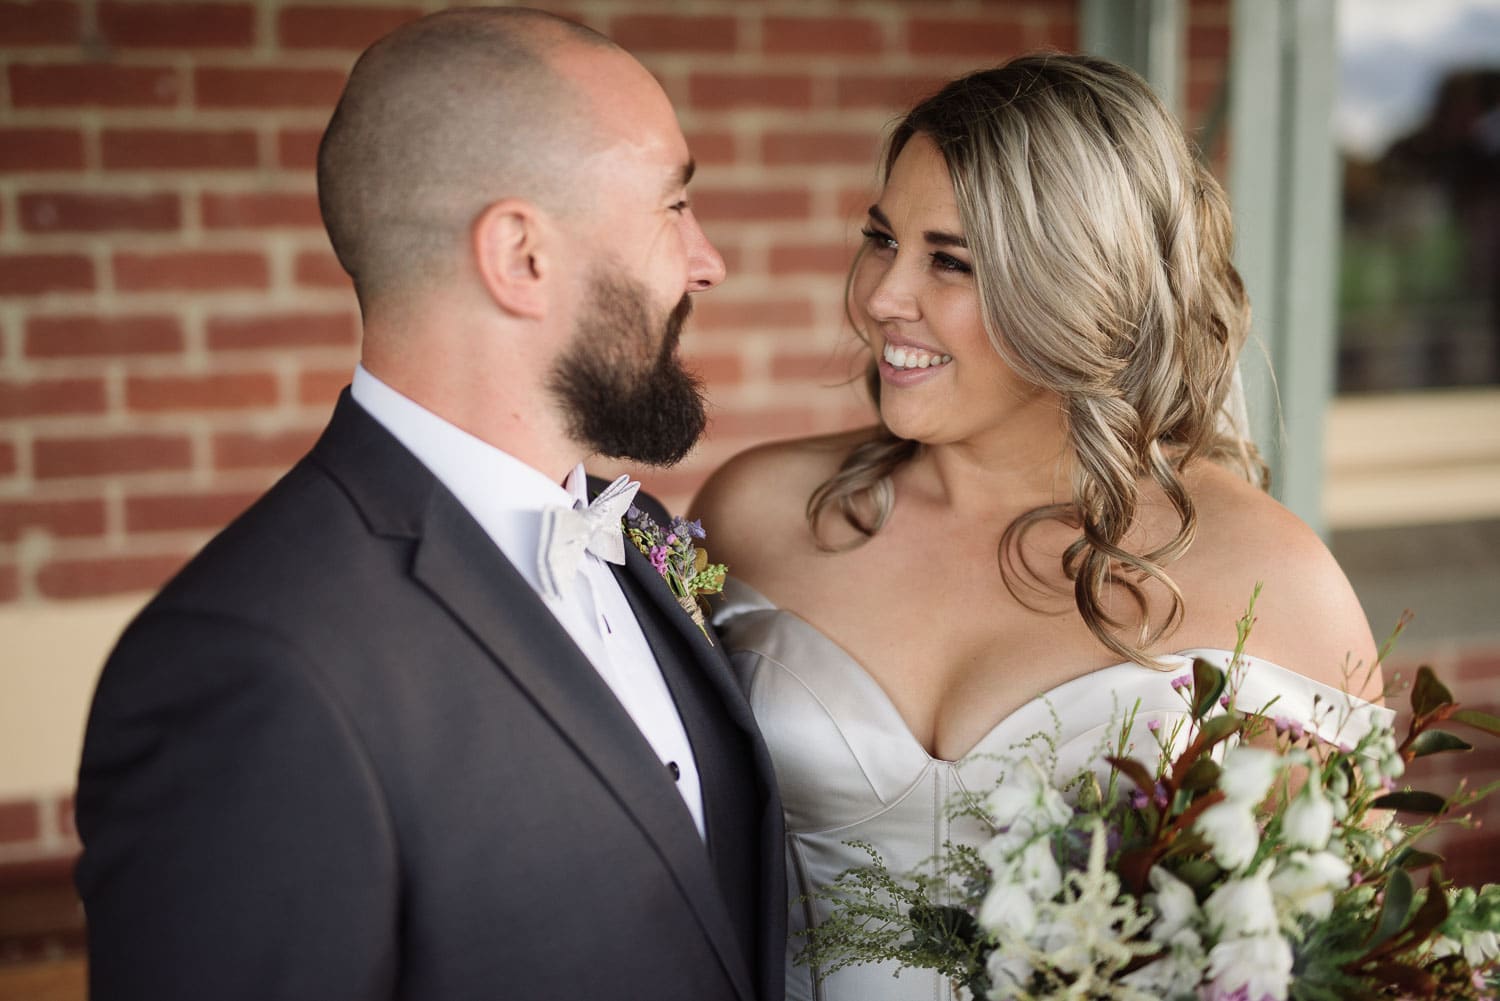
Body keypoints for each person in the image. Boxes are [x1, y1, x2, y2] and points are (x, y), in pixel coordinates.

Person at [74, 9, 784, 1001]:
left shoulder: (651, 536)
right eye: (674, 206)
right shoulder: (246, 664)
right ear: (521, 256)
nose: (706, 259)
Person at [691, 54, 1392, 1001]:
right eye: (880, 238)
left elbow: (1330, 954)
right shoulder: (754, 515)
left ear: (1079, 289)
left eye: (950, 260)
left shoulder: (1276, 582)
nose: (880, 297)